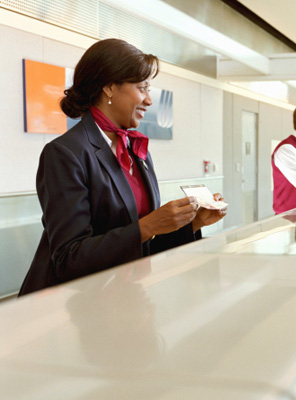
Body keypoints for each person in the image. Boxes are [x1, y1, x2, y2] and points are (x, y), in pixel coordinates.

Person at [19, 38, 225, 296]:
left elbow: (141, 246)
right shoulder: (65, 153)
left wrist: (190, 223)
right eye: (142, 88)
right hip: (72, 308)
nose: (149, 100)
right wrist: (148, 226)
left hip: (124, 296)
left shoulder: (137, 151)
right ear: (109, 88)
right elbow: (69, 258)